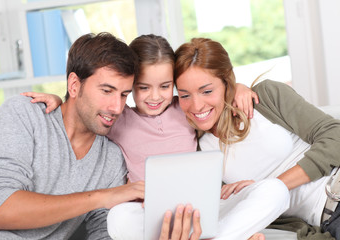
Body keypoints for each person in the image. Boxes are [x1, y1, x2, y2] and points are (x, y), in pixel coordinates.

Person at [24, 34, 279, 240]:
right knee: (118, 218)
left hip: (203, 206)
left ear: (174, 85)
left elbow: (214, 94)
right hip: (151, 215)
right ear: (130, 85)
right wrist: (59, 99)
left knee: (274, 190)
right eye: (143, 88)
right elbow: (85, 108)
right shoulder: (119, 119)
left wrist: (241, 89)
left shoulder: (187, 109)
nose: (154, 97)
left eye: (165, 87)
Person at [0, 32, 146, 239]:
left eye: (124, 95)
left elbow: (102, 231)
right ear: (74, 85)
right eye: (106, 91)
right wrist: (101, 197)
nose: (117, 107)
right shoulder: (24, 114)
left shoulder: (111, 159)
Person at [174, 37, 340, 239]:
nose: (196, 106)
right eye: (184, 95)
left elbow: (335, 136)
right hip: (327, 220)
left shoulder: (265, 98)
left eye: (207, 91)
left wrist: (269, 186)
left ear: (227, 82)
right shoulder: (201, 151)